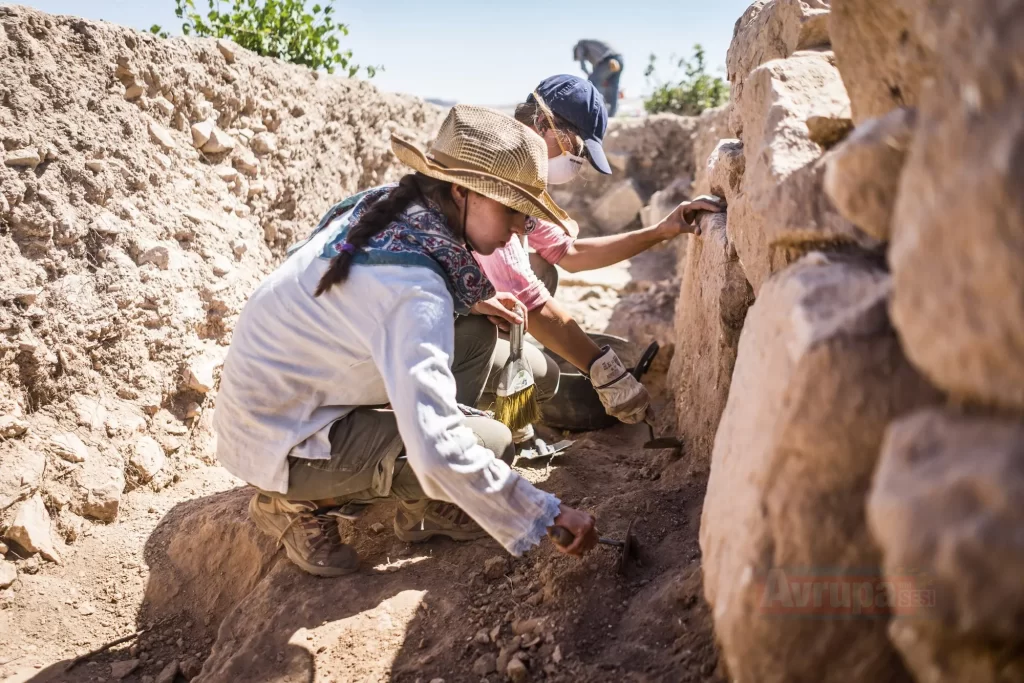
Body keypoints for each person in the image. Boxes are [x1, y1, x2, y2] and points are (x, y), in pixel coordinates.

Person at [213, 105, 599, 577]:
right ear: (461, 191)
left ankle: (426, 510)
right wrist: (547, 514)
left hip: (297, 393)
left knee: (476, 335)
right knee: (490, 444)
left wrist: (474, 301)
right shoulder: (414, 287)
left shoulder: (396, 210)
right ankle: (291, 504)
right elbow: (437, 449)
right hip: (278, 435)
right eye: (513, 211)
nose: (521, 228)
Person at [467, 75, 725, 443]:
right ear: (545, 125)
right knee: (540, 377)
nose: (577, 163)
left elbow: (567, 254)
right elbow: (529, 300)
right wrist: (606, 371)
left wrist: (661, 230)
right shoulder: (493, 184)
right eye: (576, 148)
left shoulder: (519, 181)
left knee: (542, 286)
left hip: (457, 311)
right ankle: (462, 423)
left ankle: (500, 400)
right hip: (429, 327)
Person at [573, 39, 624, 117]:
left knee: (591, 84)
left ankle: (593, 112)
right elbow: (597, 69)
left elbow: (583, 67)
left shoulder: (581, 44)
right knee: (613, 88)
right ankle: (611, 114)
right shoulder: (593, 51)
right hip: (619, 60)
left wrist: (589, 75)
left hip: (608, 61)